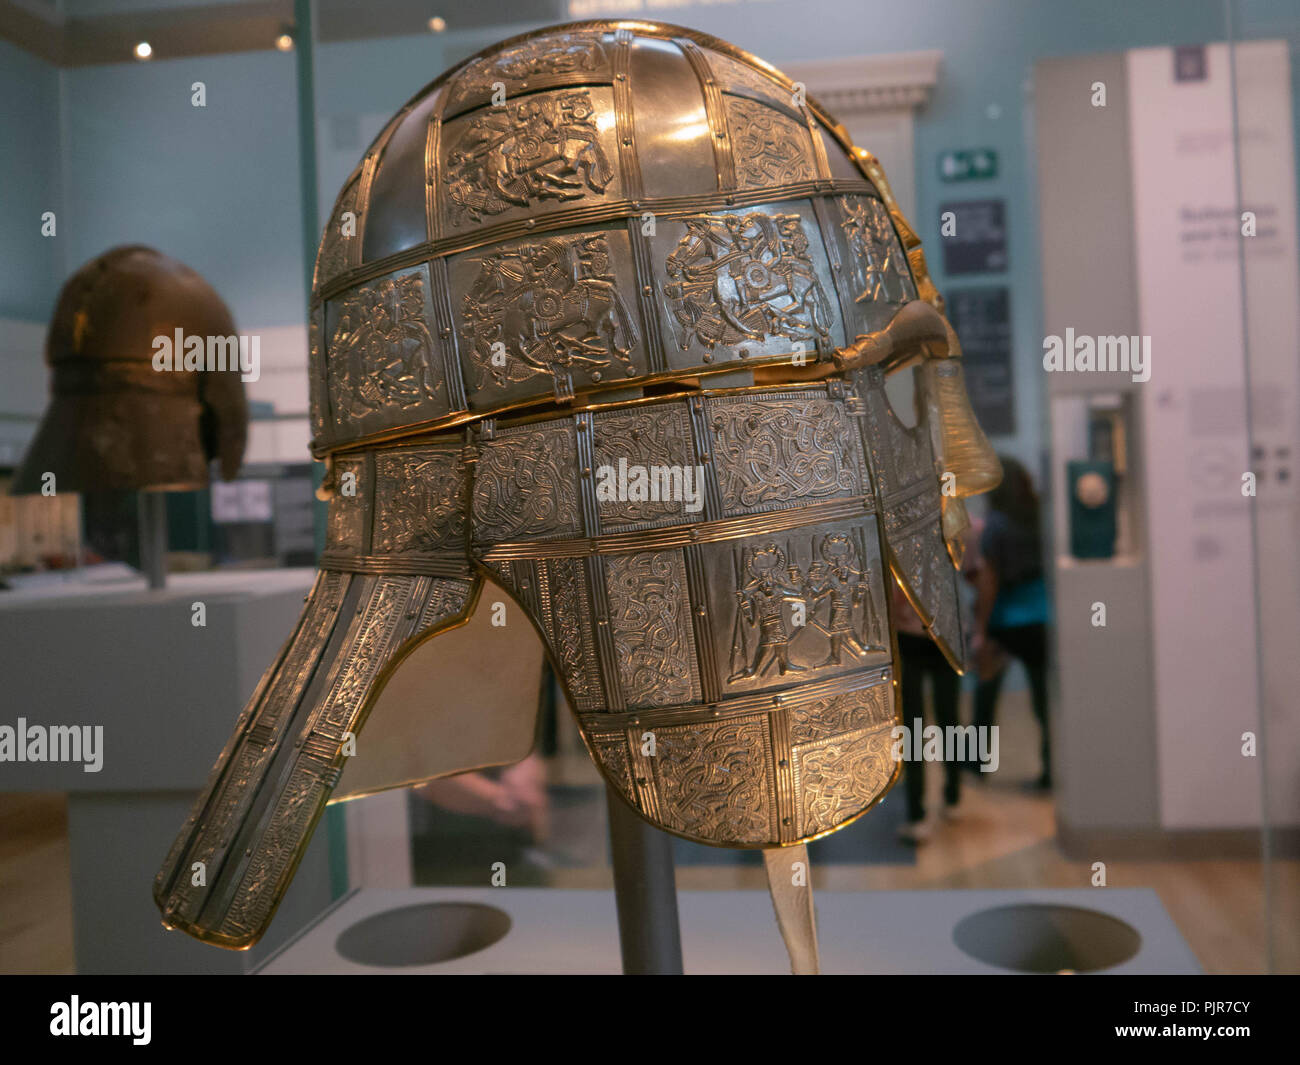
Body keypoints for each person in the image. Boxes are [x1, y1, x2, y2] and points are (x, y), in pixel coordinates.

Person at [971, 456, 1052, 789]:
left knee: (985, 695)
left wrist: (979, 629)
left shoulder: (996, 525)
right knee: (1044, 701)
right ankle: (1051, 770)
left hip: (1005, 620)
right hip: (1042, 619)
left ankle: (975, 765)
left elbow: (989, 583)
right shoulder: (1040, 518)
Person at [893, 583, 961, 843]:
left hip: (908, 636)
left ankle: (916, 814)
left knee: (912, 727)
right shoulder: (951, 541)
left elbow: (895, 600)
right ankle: (953, 798)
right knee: (949, 718)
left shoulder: (896, 544)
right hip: (946, 633)